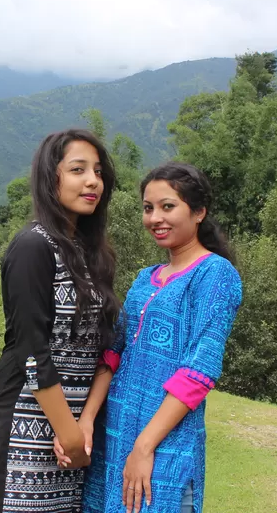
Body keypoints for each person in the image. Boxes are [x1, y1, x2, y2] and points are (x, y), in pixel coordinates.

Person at [74, 161, 243, 513]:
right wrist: (88, 418)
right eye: (148, 208)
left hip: (164, 443)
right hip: (114, 434)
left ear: (198, 212)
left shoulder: (215, 275)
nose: (155, 218)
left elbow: (200, 372)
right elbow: (113, 353)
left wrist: (144, 447)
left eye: (168, 207)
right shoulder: (145, 278)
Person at [0, 128, 121, 513]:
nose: (93, 181)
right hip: (29, 420)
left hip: (72, 428)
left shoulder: (90, 255)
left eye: (98, 171)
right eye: (78, 169)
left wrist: (82, 426)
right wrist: (68, 431)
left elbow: (102, 348)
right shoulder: (33, 246)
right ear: (49, 177)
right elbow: (30, 351)